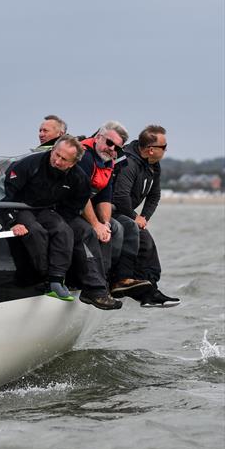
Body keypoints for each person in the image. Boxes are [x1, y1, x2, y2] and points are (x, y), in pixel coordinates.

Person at [64, 121, 151, 310]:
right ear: (97, 138)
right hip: (66, 208)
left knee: (118, 228)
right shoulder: (85, 156)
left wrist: (104, 223)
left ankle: (113, 280)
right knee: (90, 231)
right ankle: (92, 286)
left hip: (85, 207)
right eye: (109, 143)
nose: (111, 149)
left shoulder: (108, 161)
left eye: (117, 148)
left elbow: (104, 195)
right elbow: (82, 195)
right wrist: (96, 225)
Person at [0, 135, 90, 302]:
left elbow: (77, 203)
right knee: (36, 231)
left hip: (45, 209)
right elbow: (4, 198)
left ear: (73, 163)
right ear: (53, 150)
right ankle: (45, 278)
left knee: (64, 230)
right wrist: (12, 223)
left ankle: (57, 279)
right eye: (56, 154)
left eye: (64, 159)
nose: (57, 161)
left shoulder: (79, 177)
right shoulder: (28, 164)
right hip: (19, 207)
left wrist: (60, 216)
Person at [112, 125, 180, 307]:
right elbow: (119, 196)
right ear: (151, 149)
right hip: (110, 210)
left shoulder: (153, 165)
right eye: (164, 147)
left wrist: (144, 217)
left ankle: (150, 292)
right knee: (143, 239)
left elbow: (154, 195)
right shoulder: (128, 163)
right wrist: (135, 217)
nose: (166, 150)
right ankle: (141, 291)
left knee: (146, 241)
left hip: (126, 213)